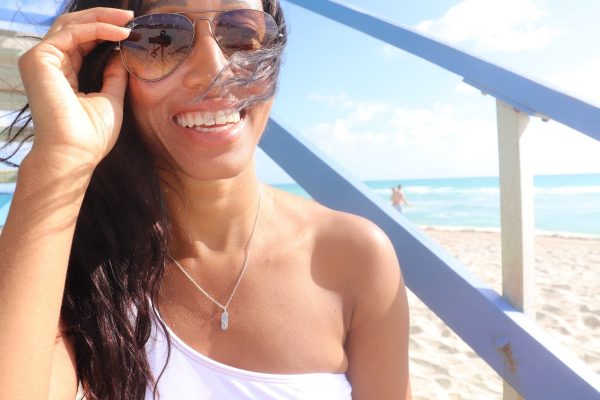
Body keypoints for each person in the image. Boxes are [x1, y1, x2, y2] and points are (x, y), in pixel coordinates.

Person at [0, 1, 411, 399]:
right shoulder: (73, 267)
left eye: (242, 34)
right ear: (107, 65)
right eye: (160, 38)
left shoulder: (355, 257)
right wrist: (60, 158)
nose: (213, 69)